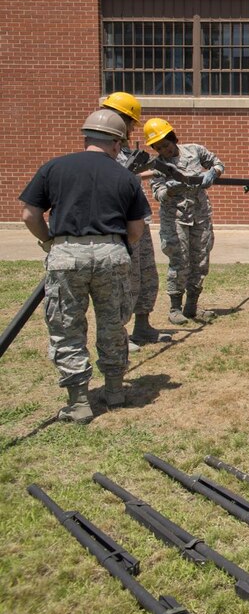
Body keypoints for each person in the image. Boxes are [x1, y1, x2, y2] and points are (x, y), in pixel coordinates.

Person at [18, 109, 151, 423]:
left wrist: (51, 242)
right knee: (113, 323)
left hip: (66, 254)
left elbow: (29, 215)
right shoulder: (125, 177)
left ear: (87, 137)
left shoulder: (54, 167)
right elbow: (136, 229)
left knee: (67, 327)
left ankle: (78, 403)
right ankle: (115, 391)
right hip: (112, 254)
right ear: (118, 143)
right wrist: (116, 248)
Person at [101, 91, 170, 350]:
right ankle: (120, 334)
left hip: (138, 219)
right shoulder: (104, 151)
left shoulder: (126, 150)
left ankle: (143, 325)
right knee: (125, 279)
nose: (131, 128)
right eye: (130, 122)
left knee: (146, 274)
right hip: (119, 223)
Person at [144, 117, 225, 327]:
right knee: (179, 261)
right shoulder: (158, 165)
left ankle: (192, 304)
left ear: (173, 139)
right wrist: (168, 190)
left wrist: (212, 173)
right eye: (159, 147)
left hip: (201, 216)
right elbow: (157, 192)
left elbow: (217, 163)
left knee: (200, 260)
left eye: (166, 145)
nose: (165, 150)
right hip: (176, 219)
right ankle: (175, 307)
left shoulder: (195, 150)